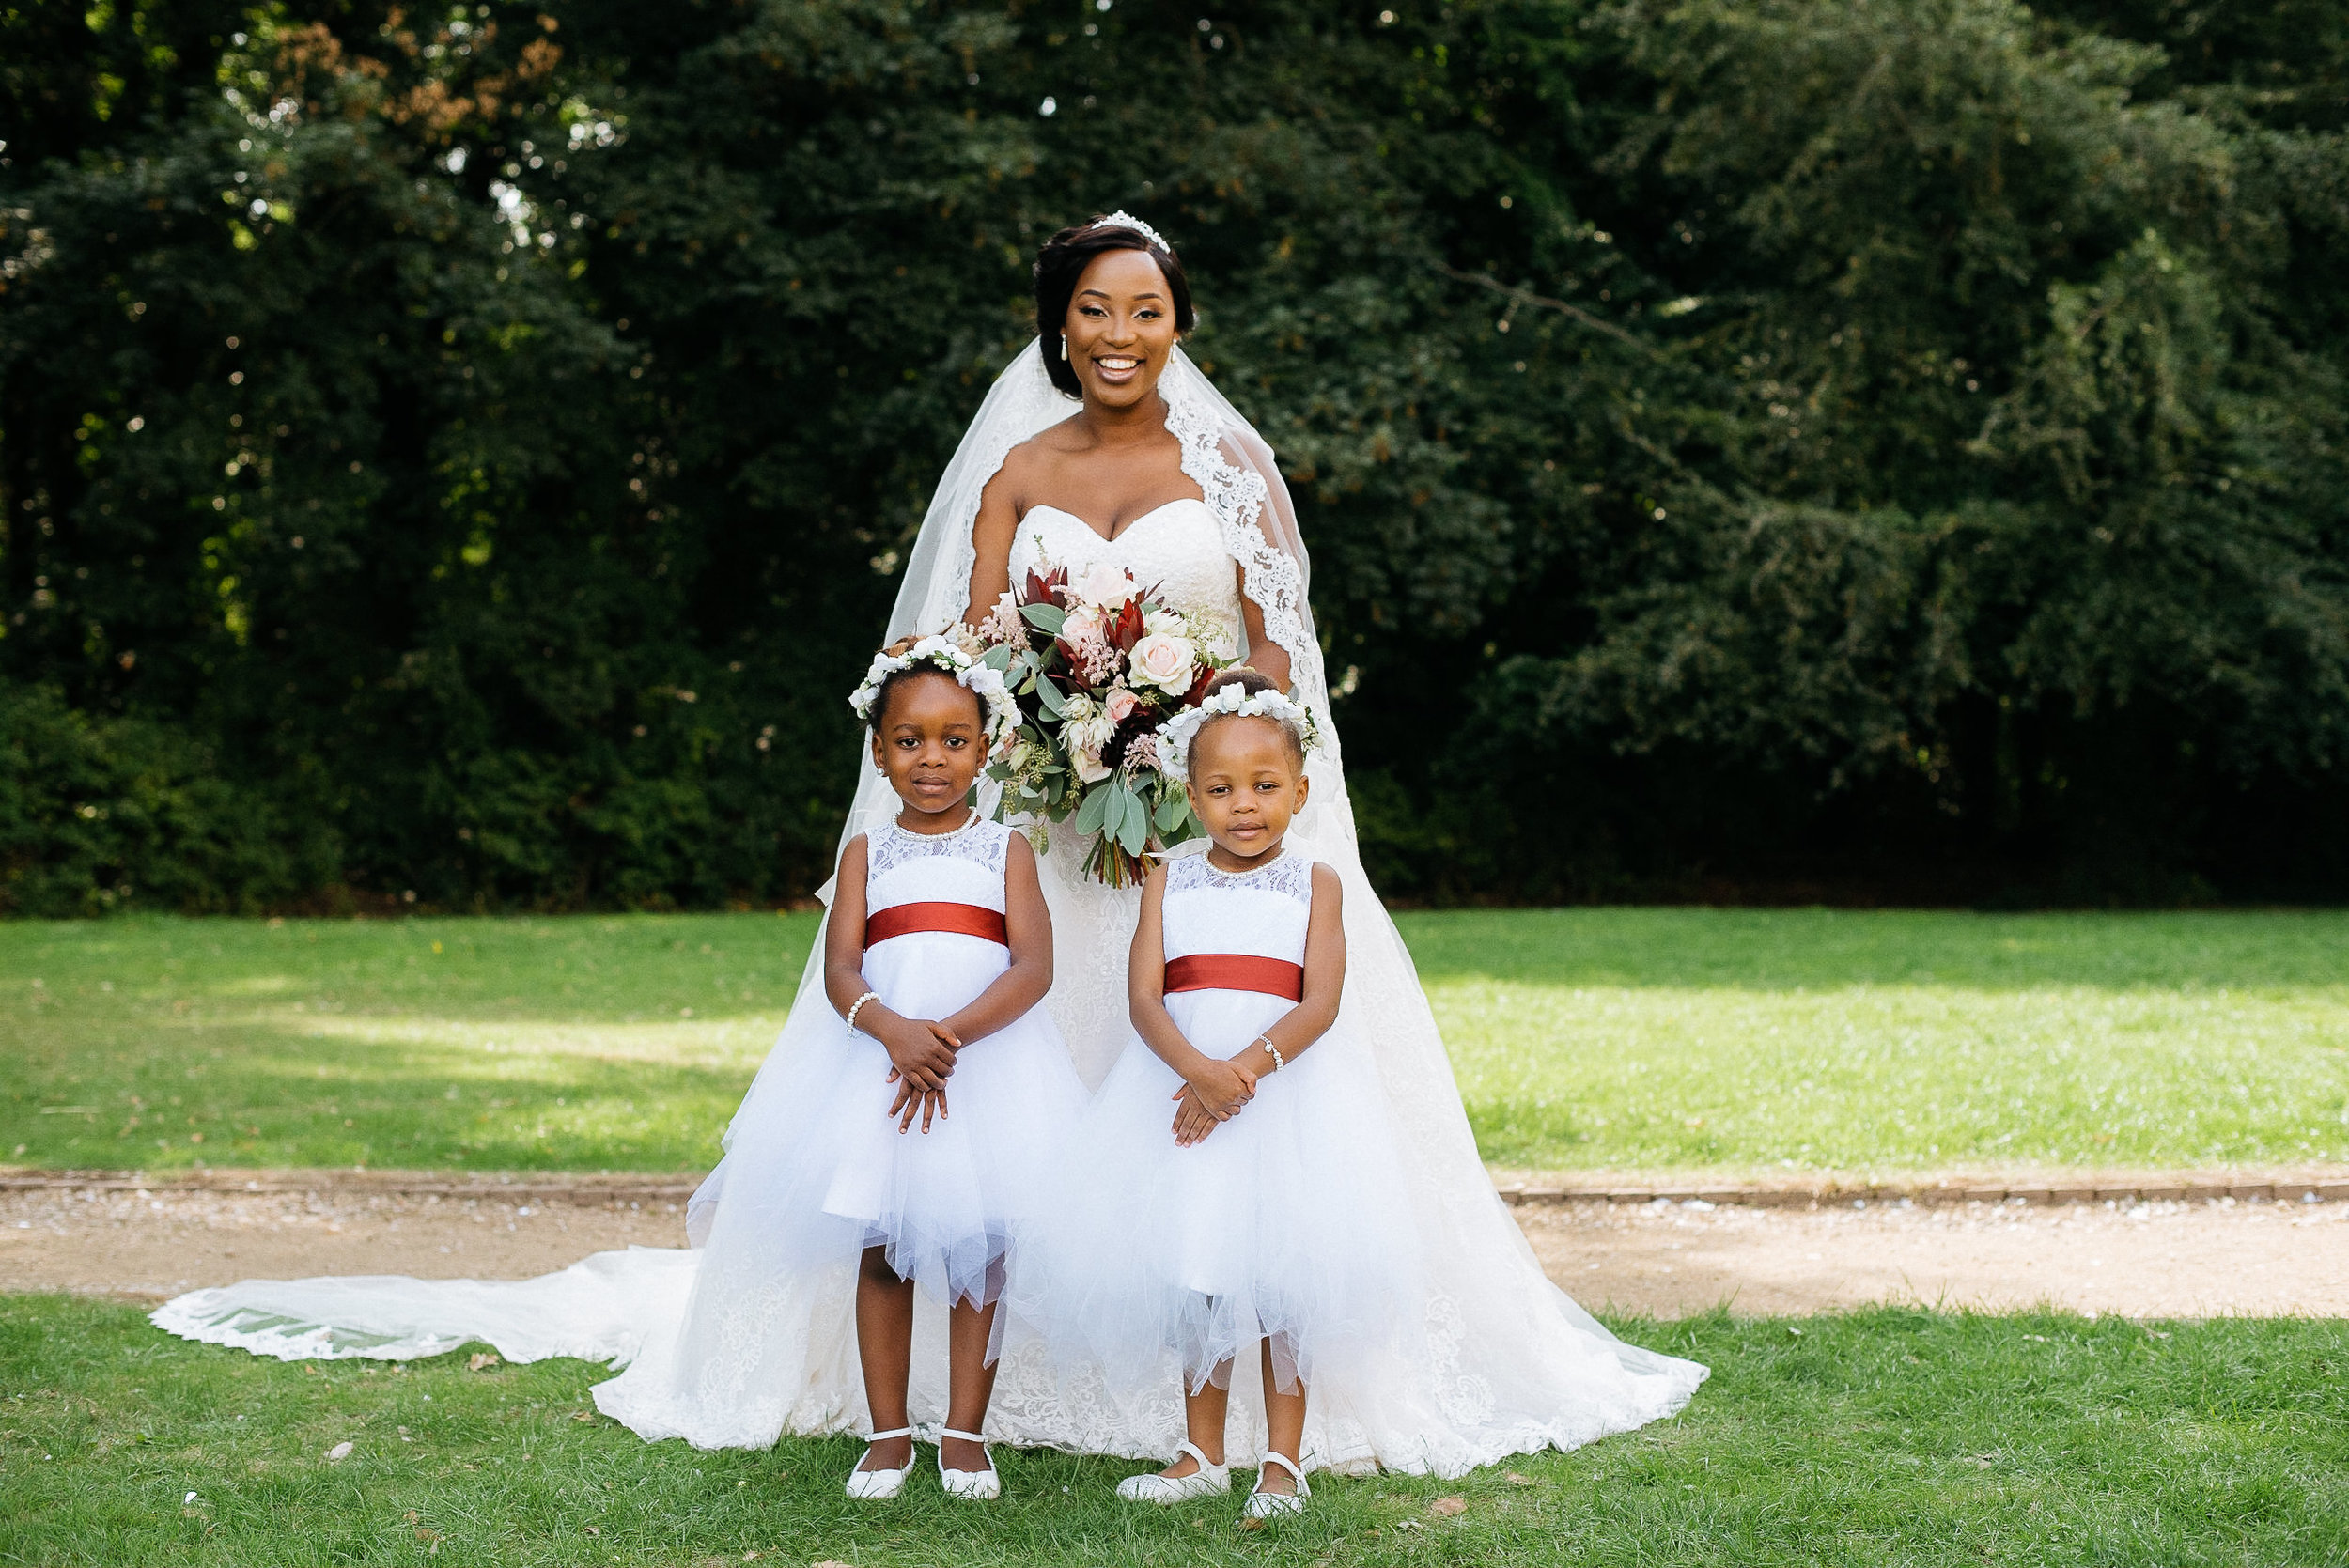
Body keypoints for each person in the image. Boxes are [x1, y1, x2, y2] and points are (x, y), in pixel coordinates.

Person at [155, 212, 1703, 1478]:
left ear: (1180, 321)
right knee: (1006, 1126)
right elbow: (957, 658)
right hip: (1038, 836)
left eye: (1148, 310)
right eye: (1096, 309)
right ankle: (960, 1396)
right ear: (1058, 323)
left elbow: (1278, 676)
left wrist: (1184, 755)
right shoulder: (1015, 473)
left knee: (1207, 1117)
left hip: (1187, 844)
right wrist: (1052, 723)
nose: (1121, 334)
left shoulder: (1232, 473)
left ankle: (1239, 1403)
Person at [1013, 670, 1422, 1521]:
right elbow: (1145, 998)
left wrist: (1241, 1072)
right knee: (1196, 1268)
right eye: (1222, 788)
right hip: (1181, 1092)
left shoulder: (1316, 882)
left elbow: (1321, 1001)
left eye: (1265, 786)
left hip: (1285, 1100)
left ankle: (1282, 1457)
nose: (1245, 805)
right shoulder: (1169, 876)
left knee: (1283, 1277)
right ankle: (1200, 1450)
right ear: (1190, 796)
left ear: (1300, 791)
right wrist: (1198, 1071)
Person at [817, 635, 1085, 1499]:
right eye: (909, 739)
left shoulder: (1004, 848)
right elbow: (840, 970)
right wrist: (895, 1031)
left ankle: (965, 1433)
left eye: (954, 739)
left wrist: (947, 1037)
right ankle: (888, 1431)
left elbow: (1033, 967)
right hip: (884, 1068)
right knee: (883, 1244)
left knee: (983, 1247)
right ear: (879, 748)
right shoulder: (865, 852)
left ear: (986, 746)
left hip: (983, 1069)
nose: (931, 758)